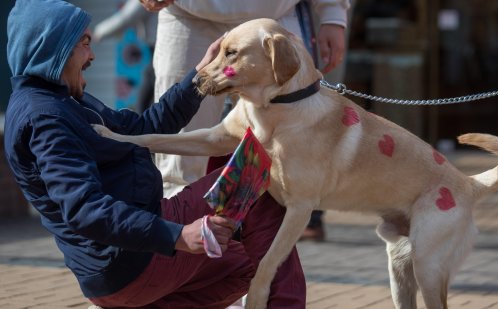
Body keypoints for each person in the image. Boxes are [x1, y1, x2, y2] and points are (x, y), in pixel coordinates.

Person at [4, 1, 305, 308]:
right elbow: (84, 209)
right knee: (257, 173)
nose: (92, 55)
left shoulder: (60, 101)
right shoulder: (45, 119)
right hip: (132, 261)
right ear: (54, 48)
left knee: (247, 266)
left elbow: (145, 128)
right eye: (84, 43)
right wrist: (177, 235)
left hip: (124, 271)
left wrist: (201, 74)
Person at [139, 0, 351, 242]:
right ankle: (181, 251)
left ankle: (264, 261)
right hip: (189, 17)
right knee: (179, 165)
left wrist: (333, 14)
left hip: (272, 26)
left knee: (282, 156)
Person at [93, 0, 157, 114]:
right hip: (156, 44)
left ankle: (141, 117)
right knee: (152, 80)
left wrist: (100, 31)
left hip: (158, 45)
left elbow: (127, 17)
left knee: (150, 80)